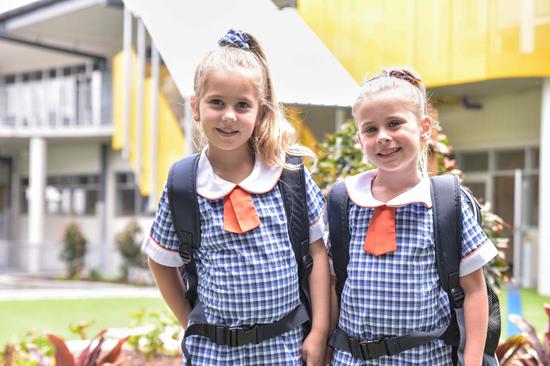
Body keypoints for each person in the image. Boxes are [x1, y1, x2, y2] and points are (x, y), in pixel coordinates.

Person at [142, 29, 330, 365]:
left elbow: (317, 253)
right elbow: (160, 260)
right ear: (195, 107)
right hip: (213, 353)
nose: (229, 115)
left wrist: (318, 332)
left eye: (242, 105)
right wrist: (190, 323)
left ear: (260, 111)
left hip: (284, 349)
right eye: (217, 102)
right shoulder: (184, 184)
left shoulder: (288, 176)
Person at [327, 67, 498, 365]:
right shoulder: (345, 201)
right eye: (370, 129)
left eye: (394, 124)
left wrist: (472, 361)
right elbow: (332, 284)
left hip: (425, 359)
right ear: (359, 138)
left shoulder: (445, 205)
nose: (383, 137)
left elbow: (475, 291)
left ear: (424, 128)